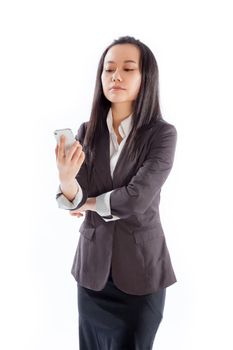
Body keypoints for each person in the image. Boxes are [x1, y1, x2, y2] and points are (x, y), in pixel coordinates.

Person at [55, 35, 178, 350]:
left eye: (128, 68)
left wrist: (87, 202)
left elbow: (137, 197)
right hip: (92, 273)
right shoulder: (87, 131)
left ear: (145, 77)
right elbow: (75, 198)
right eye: (109, 69)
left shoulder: (161, 135)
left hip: (140, 273)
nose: (116, 76)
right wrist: (66, 179)